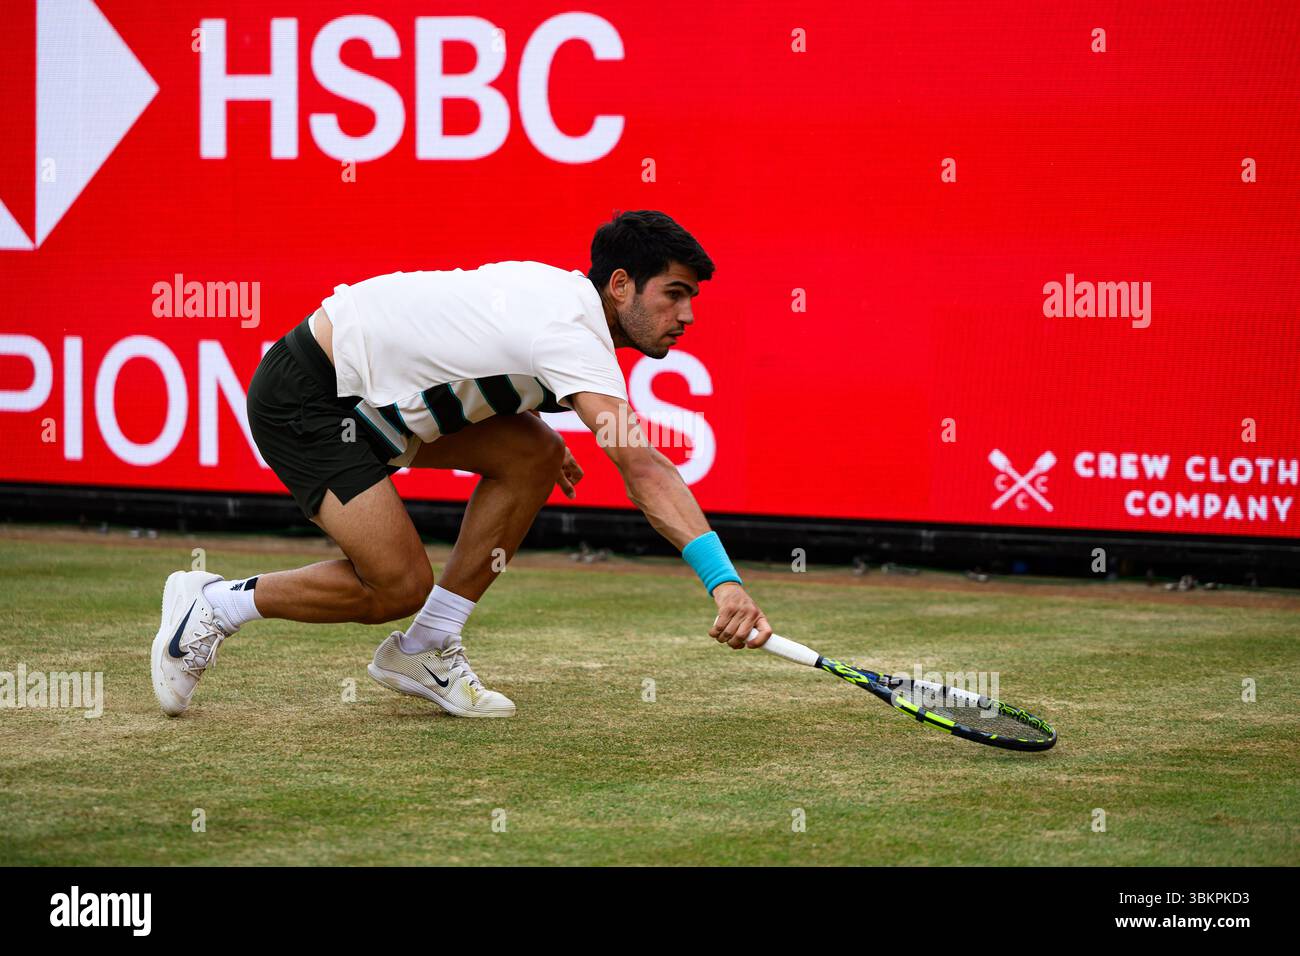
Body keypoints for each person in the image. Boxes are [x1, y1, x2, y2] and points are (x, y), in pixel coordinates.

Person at [151, 210, 773, 719]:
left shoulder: (565, 306)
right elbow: (645, 470)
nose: (687, 315)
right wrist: (725, 583)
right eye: (674, 294)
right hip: (310, 398)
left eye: (690, 297)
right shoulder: (566, 332)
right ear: (619, 285)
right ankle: (213, 604)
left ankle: (423, 648)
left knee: (535, 453)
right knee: (397, 584)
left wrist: (537, 439)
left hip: (376, 404)